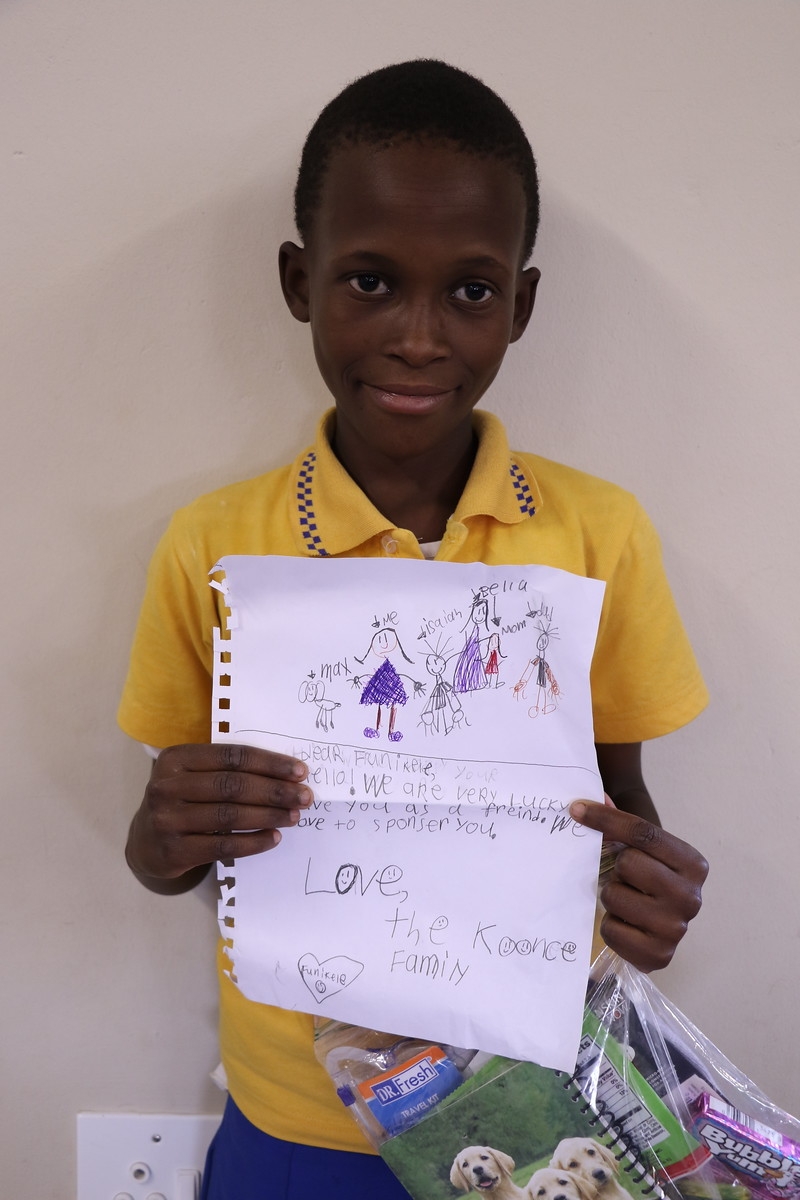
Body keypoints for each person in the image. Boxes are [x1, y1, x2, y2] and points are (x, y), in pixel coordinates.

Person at [118, 60, 710, 1200]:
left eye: (471, 292)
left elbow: (616, 803)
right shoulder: (216, 547)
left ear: (521, 306)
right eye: (371, 281)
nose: (420, 338)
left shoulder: (597, 535)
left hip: (545, 1102)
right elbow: (187, 851)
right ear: (299, 282)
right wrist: (159, 841)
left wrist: (645, 889)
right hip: (300, 1119)